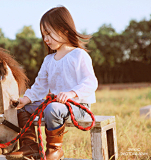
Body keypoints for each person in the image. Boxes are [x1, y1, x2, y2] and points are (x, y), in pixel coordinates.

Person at [6, 5, 98, 160]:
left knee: (53, 108)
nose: (45, 39)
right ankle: (30, 145)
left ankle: (54, 150)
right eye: (43, 35)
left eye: (48, 33)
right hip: (53, 106)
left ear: (64, 30)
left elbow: (90, 81)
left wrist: (71, 93)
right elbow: (40, 85)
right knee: (21, 109)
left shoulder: (79, 55)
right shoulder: (49, 60)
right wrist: (25, 100)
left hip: (78, 106)